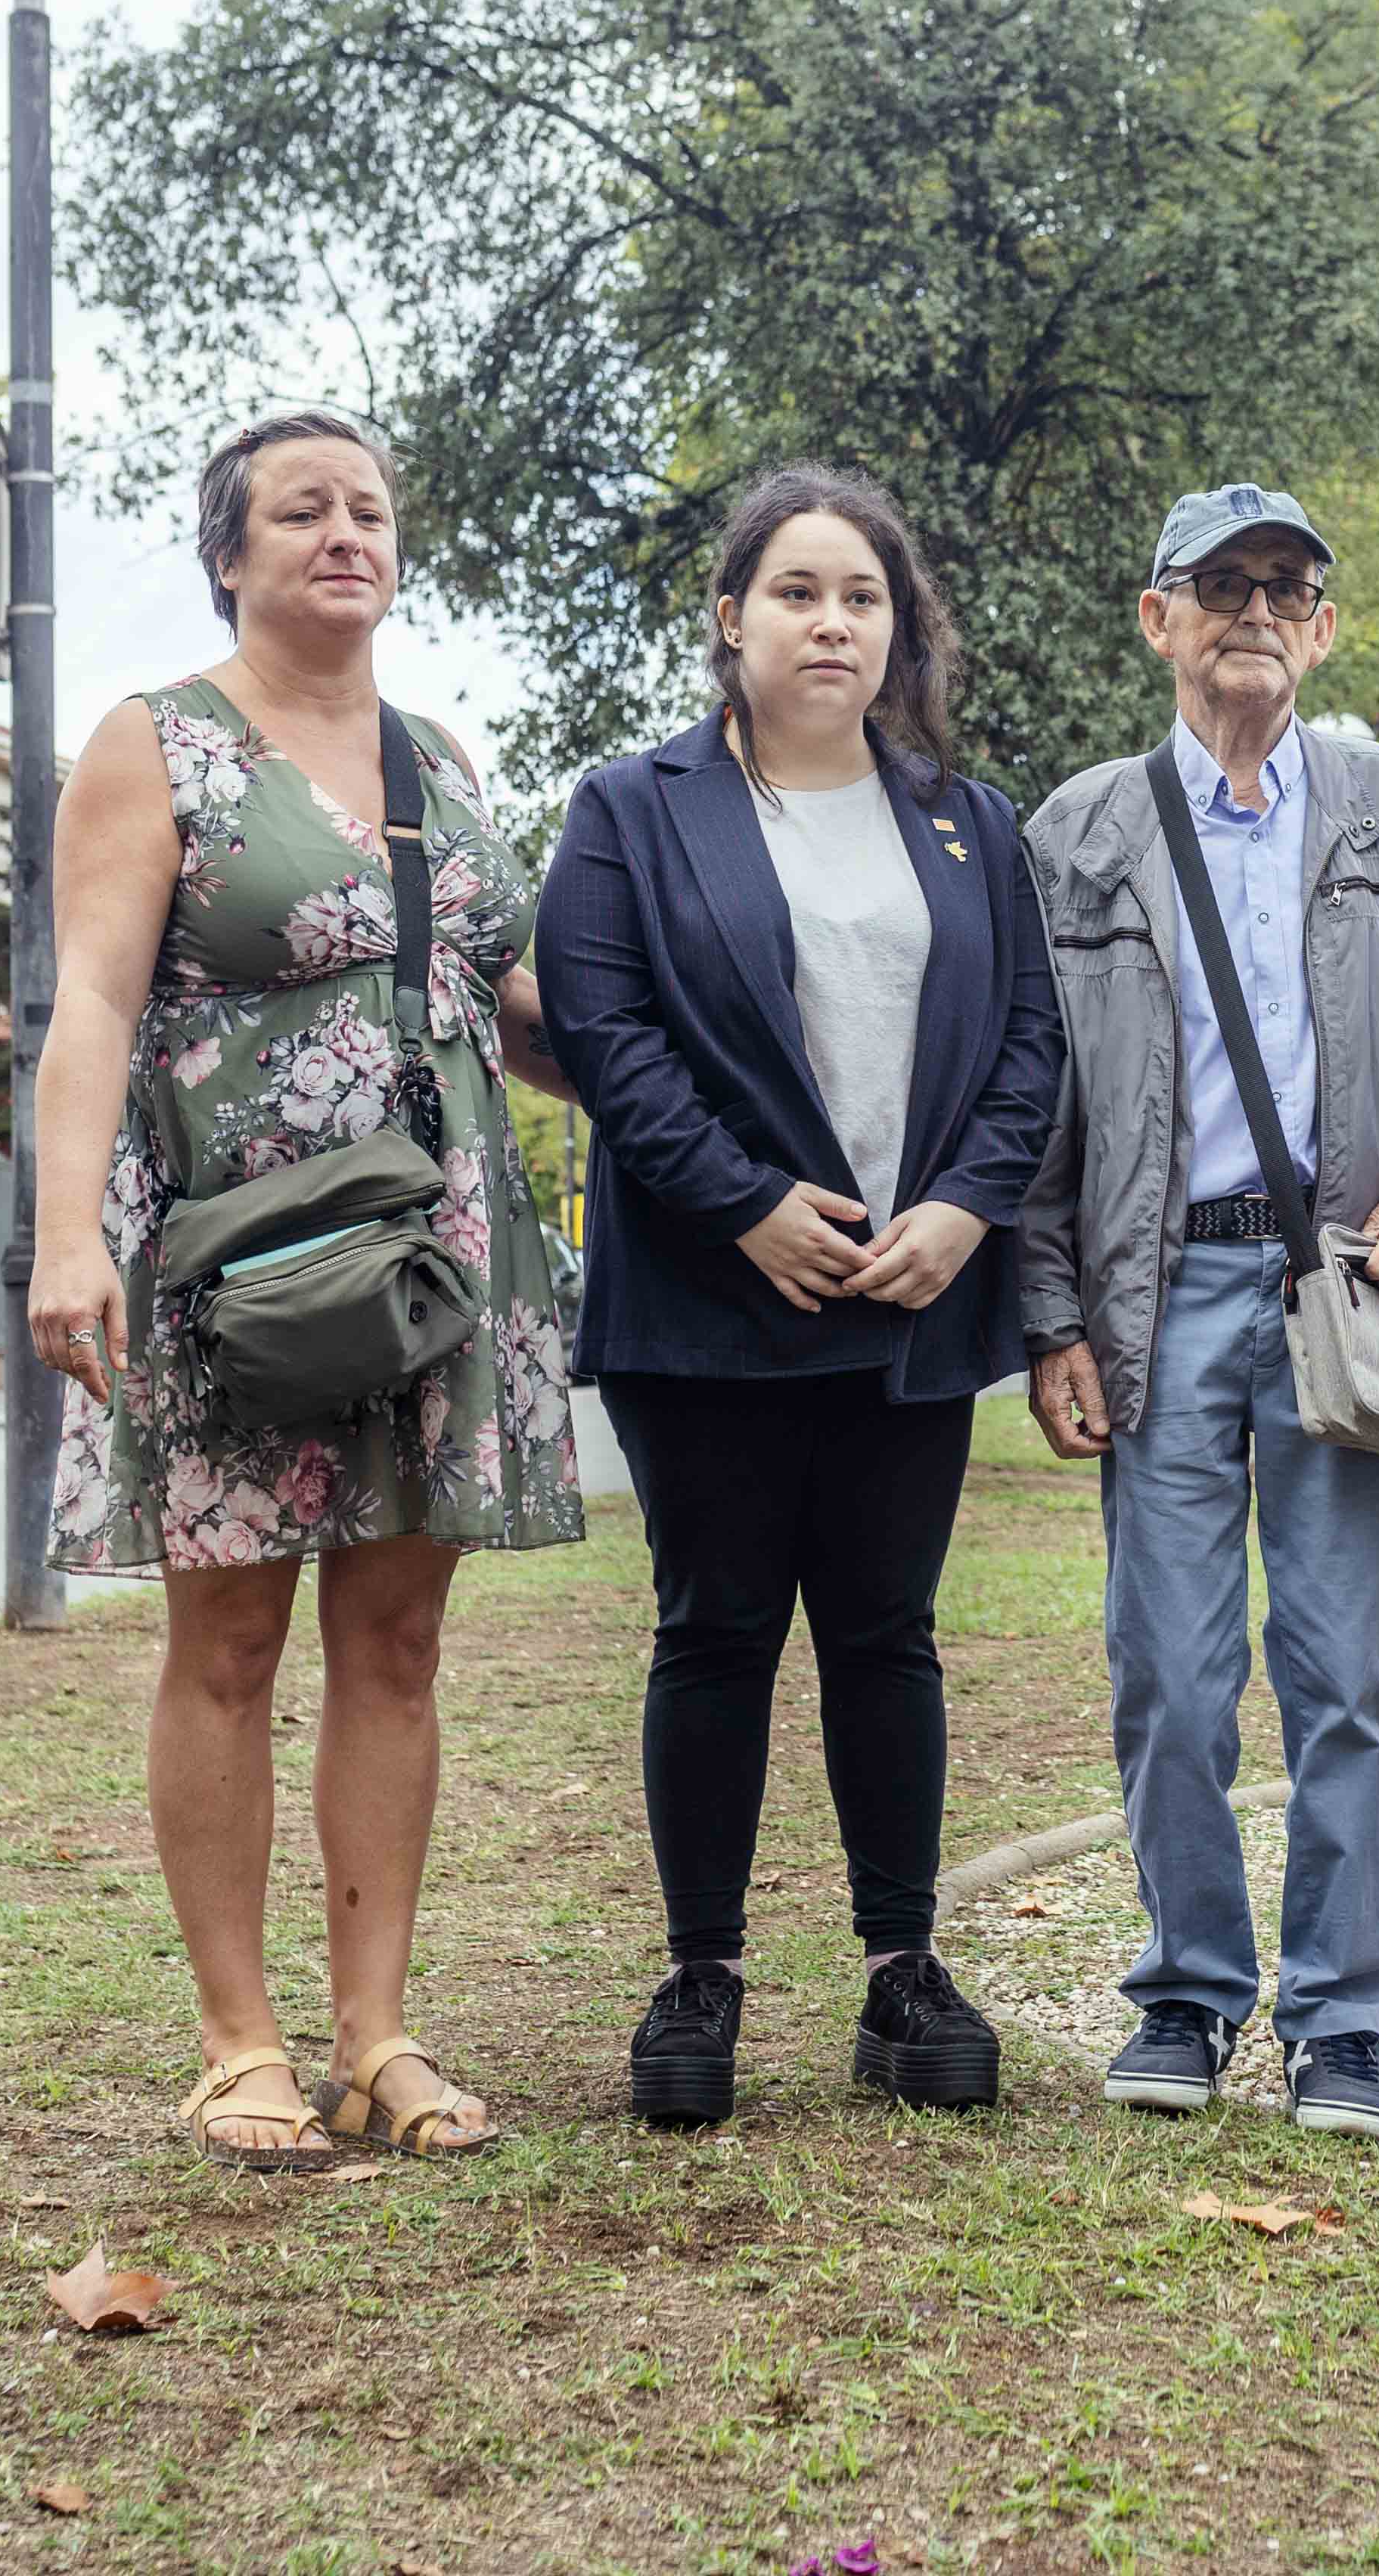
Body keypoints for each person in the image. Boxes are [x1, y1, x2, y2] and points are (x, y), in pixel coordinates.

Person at [28, 408, 588, 2173]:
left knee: (400, 1640)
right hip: (235, 1251)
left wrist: (721, 1089)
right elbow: (97, 1009)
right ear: (230, 551)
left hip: (437, 1254)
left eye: (369, 509)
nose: (345, 533)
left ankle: (377, 2033)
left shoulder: (441, 755)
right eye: (302, 510)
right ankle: (238, 2038)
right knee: (233, 1636)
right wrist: (61, 1235)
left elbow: (508, 1009)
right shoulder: (155, 745)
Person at [535, 464, 1064, 2132]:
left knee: (888, 1634)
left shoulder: (968, 819)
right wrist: (748, 1203)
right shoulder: (633, 806)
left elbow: (1030, 1043)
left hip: (907, 1303)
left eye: (861, 597)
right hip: (706, 1302)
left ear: (896, 631)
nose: (831, 620)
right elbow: (606, 1036)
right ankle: (701, 1972)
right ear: (729, 618)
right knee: (714, 1630)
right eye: (796, 591)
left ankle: (902, 1971)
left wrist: (967, 1214)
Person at [1017, 483, 1379, 2145]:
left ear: (1321, 626)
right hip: (1150, 1292)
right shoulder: (1077, 829)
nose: (1253, 608)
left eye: (1284, 585)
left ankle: (1340, 2025)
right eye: (1217, 582)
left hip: (1339, 1285)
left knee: (1342, 1674)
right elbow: (1030, 1103)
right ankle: (1184, 1991)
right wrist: (1049, 1313)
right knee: (1166, 1669)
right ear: (1156, 616)